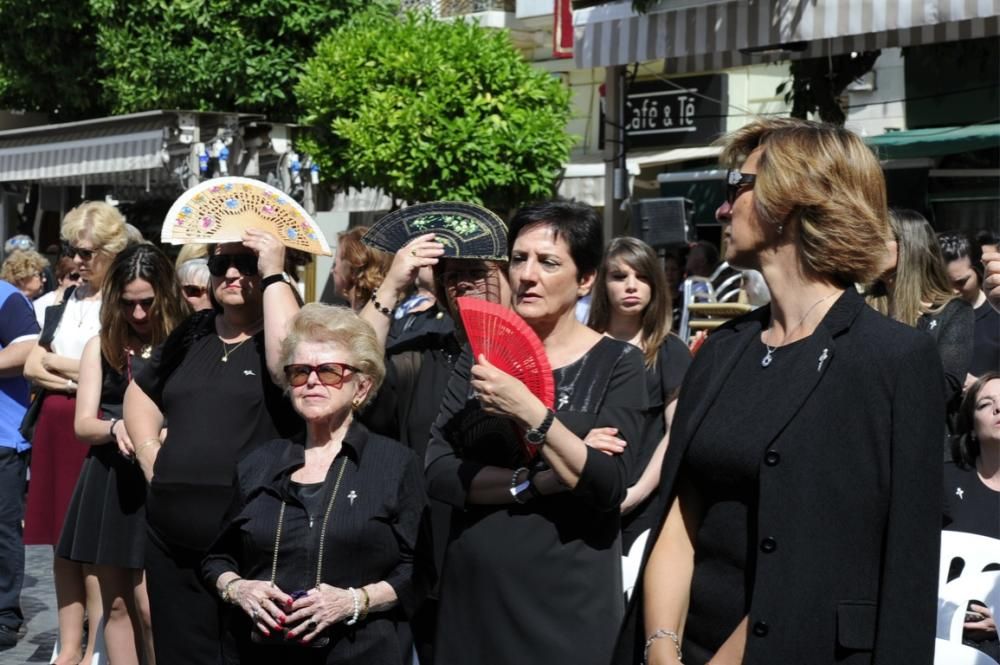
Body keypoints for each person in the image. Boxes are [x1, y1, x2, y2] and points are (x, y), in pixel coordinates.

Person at [616, 118, 944, 665]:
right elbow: (681, 511)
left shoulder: (893, 360)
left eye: (736, 188)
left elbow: (902, 569)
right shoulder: (723, 351)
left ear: (790, 198)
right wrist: (661, 651)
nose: (722, 210)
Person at [426, 200, 653, 665]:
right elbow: (438, 470)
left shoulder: (619, 363)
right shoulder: (479, 357)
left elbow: (608, 485)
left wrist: (530, 411)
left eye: (548, 262)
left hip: (568, 602)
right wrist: (541, 479)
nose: (527, 275)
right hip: (475, 596)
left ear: (586, 279)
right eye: (518, 259)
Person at [203, 303, 428, 664]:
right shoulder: (258, 463)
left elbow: (418, 570)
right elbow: (217, 558)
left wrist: (355, 601)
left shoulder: (395, 464)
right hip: (261, 654)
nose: (311, 381)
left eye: (329, 371)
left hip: (362, 652)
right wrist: (238, 588)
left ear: (361, 385)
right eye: (299, 372)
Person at [123, 229, 301, 665]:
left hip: (250, 539)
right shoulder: (195, 330)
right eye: (222, 264)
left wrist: (275, 272)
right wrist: (148, 452)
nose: (234, 273)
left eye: (249, 262)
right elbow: (141, 393)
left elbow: (285, 366)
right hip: (170, 534)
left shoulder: (285, 330)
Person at [58, 244, 188, 664]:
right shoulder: (103, 344)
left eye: (147, 303)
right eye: (128, 303)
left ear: (165, 295)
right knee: (114, 605)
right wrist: (116, 427)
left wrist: (160, 433)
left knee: (151, 606)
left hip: (163, 476)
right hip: (111, 477)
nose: (137, 314)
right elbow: (83, 423)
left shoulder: (185, 340)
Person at [23, 201, 130, 665]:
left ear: (111, 250)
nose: (78, 260)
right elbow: (31, 362)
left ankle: (96, 646)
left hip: (94, 428)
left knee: (91, 544)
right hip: (53, 426)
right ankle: (66, 648)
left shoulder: (125, 301)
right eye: (74, 251)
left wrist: (69, 369)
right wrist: (78, 372)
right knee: (59, 545)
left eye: (88, 252)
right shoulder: (60, 301)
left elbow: (115, 364)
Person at [587, 236, 692, 557]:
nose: (632, 286)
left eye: (642, 276)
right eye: (619, 276)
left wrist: (636, 493)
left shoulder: (669, 350)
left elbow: (677, 433)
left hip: (644, 507)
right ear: (603, 284)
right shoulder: (584, 346)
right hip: (584, 497)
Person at [870, 210, 974, 429]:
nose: (870, 244)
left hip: (928, 446)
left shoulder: (952, 313)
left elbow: (943, 388)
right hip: (870, 442)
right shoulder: (861, 308)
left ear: (909, 246)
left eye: (881, 237)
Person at [943, 371, 1000, 660]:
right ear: (972, 426)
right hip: (939, 642)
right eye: (985, 404)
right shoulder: (943, 481)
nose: (998, 408)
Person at [0, 277, 41, 647]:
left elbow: (29, 349)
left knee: (1, 528)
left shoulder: (6, 297)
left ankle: (4, 615)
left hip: (2, 437)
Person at [938, 232, 999, 385]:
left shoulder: (997, 313)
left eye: (961, 282)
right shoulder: (930, 317)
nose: (953, 291)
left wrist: (979, 387)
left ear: (979, 271)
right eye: (944, 282)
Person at [330, 227, 391, 310]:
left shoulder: (364, 318)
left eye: (335, 264)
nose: (332, 270)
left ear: (352, 270)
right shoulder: (388, 310)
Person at [34, 257, 81, 327]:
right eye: (74, 276)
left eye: (83, 277)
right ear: (60, 279)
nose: (80, 281)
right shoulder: (43, 303)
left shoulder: (82, 302)